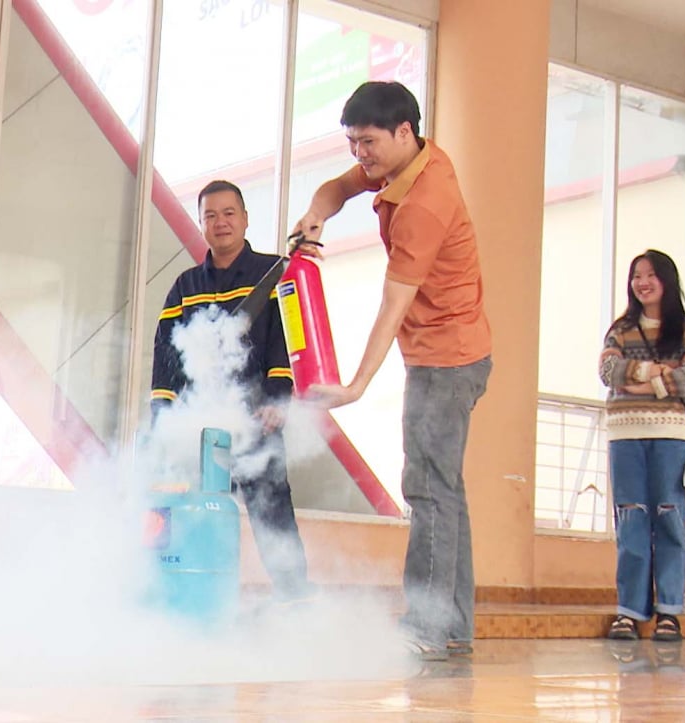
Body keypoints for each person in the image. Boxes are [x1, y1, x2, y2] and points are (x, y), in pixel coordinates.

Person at [291, 81, 491, 659]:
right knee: (445, 489)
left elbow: (393, 303)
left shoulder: (426, 202)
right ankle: (452, 626)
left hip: (446, 356)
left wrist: (355, 385)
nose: (361, 156)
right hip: (448, 348)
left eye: (369, 142)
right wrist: (314, 216)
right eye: (353, 142)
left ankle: (426, 627)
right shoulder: (406, 159)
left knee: (426, 488)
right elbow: (337, 188)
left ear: (403, 132)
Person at [150, 179, 311, 601]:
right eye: (210, 215)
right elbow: (166, 356)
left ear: (244, 218)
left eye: (228, 213)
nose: (220, 222)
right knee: (195, 515)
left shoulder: (273, 273)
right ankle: (198, 597)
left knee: (272, 514)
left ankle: (297, 602)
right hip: (200, 428)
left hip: (258, 418)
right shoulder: (185, 287)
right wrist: (162, 415)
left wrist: (278, 401)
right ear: (201, 223)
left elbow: (288, 342)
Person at [599, 249, 685, 643]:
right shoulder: (621, 327)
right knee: (631, 517)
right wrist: (657, 371)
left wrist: (643, 384)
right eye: (635, 276)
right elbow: (608, 371)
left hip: (672, 435)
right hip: (625, 433)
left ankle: (669, 613)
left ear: (666, 279)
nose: (641, 283)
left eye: (649, 275)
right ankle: (629, 612)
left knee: (668, 517)